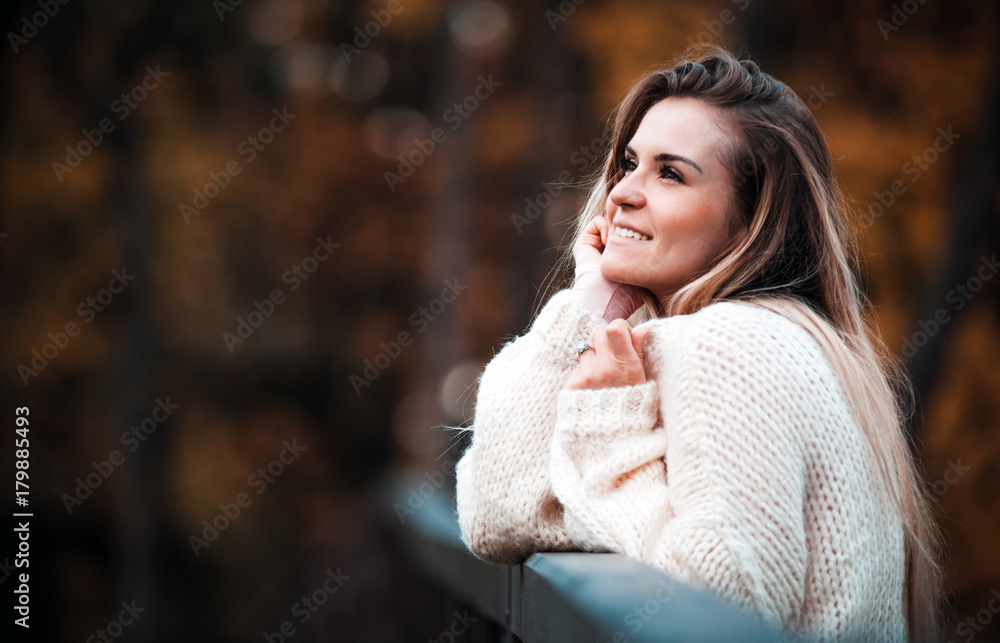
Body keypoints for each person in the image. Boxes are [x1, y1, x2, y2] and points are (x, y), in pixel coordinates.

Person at [453, 47, 943, 642]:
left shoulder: (730, 344)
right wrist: (591, 305)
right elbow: (498, 514)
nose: (623, 193)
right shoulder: (782, 340)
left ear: (751, 218)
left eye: (670, 173)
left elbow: (723, 603)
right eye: (629, 162)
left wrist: (607, 436)